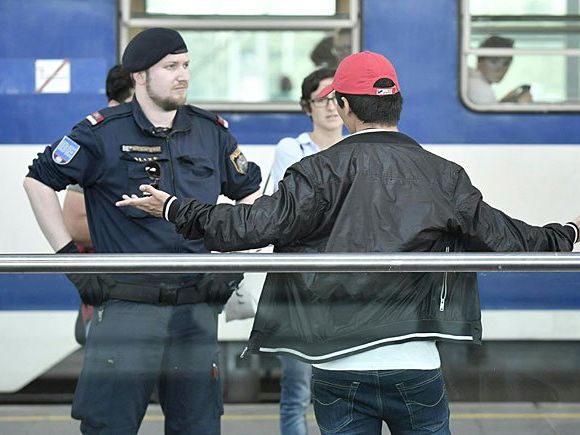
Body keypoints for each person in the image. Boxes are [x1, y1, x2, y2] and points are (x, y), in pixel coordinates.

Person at [116, 51, 580, 435]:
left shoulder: (315, 171)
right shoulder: (444, 176)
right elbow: (511, 241)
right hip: (415, 360)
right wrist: (571, 232)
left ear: (341, 106)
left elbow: (248, 228)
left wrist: (176, 208)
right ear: (397, 104)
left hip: (335, 360)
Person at [24, 27, 261, 435]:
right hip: (126, 307)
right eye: (170, 67)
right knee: (110, 424)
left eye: (186, 65)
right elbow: (38, 182)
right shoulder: (100, 133)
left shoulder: (211, 132)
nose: (183, 75)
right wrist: (71, 264)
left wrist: (232, 264)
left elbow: (251, 192)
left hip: (195, 308)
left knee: (198, 426)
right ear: (139, 76)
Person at [271, 67, 343, 435]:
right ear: (307, 107)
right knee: (298, 391)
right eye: (321, 99)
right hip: (300, 290)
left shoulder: (360, 148)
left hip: (347, 290)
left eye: (336, 98)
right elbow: (288, 215)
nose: (330, 107)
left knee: (346, 391)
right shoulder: (291, 149)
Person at [63, 64, 135, 345]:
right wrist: (148, 235)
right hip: (111, 297)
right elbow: (76, 225)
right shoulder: (97, 147)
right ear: (113, 105)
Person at [467, 35, 532, 104]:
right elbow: (490, 114)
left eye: (506, 64)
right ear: (479, 60)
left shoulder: (470, 80)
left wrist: (504, 101)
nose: (500, 69)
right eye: (494, 61)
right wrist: (521, 105)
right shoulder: (480, 89)